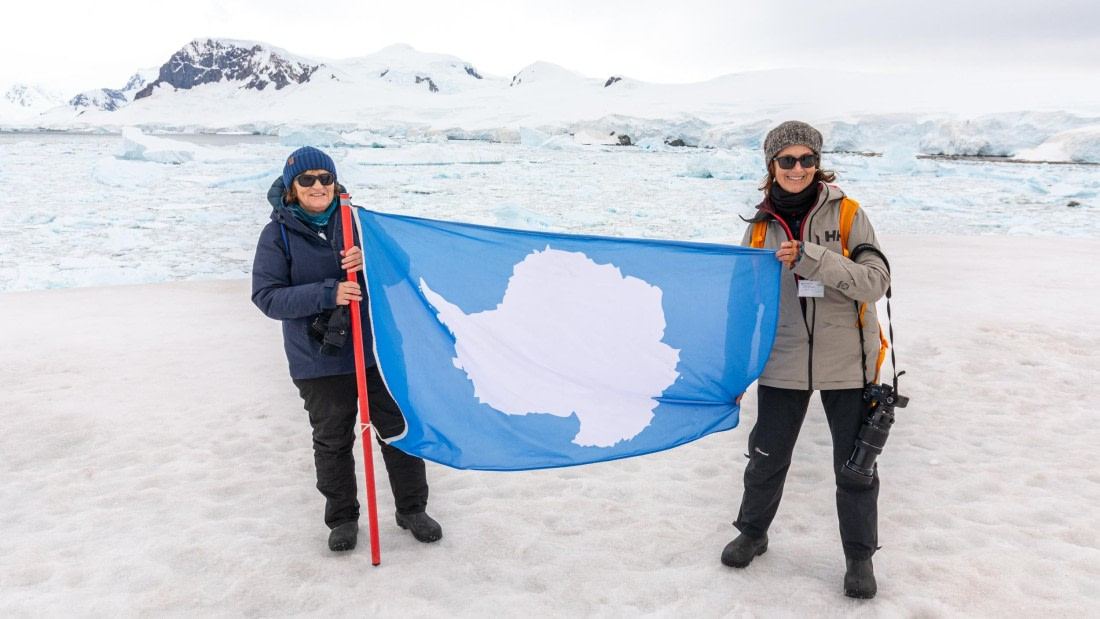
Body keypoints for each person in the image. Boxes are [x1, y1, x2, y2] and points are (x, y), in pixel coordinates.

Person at [721, 121, 890, 599]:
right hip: (781, 361)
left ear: (818, 163)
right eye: (787, 160)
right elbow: (741, 302)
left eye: (807, 159)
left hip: (848, 363)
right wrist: (735, 367)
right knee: (766, 458)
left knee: (855, 468)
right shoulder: (758, 228)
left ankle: (859, 557)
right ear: (771, 166)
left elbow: (876, 281)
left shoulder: (848, 215)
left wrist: (812, 258)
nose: (798, 169)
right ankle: (753, 532)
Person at [252, 146, 443, 552]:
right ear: (292, 188)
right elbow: (267, 297)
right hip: (317, 359)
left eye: (325, 178)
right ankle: (342, 520)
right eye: (307, 179)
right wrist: (330, 291)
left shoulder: (357, 222)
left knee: (397, 431)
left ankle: (411, 510)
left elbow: (401, 270)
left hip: (376, 351)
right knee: (333, 440)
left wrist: (370, 258)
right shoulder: (278, 234)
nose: (318, 185)